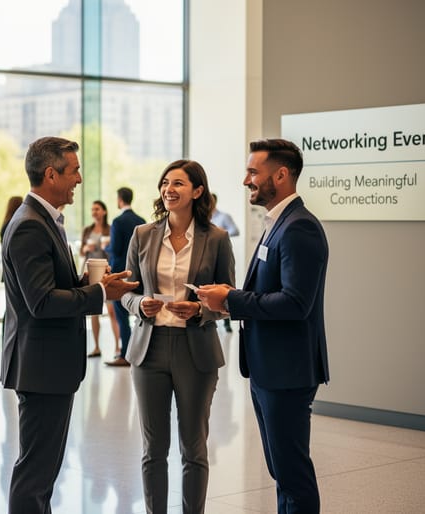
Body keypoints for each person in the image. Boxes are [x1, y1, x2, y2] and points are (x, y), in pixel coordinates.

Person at [0, 136, 137, 513]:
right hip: (42, 367)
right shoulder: (30, 225)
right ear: (51, 174)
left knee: (42, 471)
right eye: (74, 171)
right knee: (36, 473)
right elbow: (42, 302)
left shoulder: (44, 220)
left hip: (47, 366)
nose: (79, 179)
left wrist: (94, 284)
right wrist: (99, 294)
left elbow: (49, 287)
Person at [198, 138, 329, 514]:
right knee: (282, 471)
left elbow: (296, 303)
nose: (246, 180)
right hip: (269, 368)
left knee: (292, 474)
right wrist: (227, 301)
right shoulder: (279, 223)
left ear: (282, 175)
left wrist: (231, 299)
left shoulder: (299, 228)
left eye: (253, 172)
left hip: (286, 371)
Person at [120, 160, 235, 513]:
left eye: (179, 183)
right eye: (165, 183)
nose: (169, 189)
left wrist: (200, 309)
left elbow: (228, 299)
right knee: (153, 449)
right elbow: (126, 292)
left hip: (195, 350)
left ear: (197, 191)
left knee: (194, 448)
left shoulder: (217, 239)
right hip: (149, 350)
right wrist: (140, 305)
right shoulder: (142, 234)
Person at [105, 186, 146, 366]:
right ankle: (139, 352)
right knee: (139, 314)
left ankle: (125, 354)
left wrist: (106, 246)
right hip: (138, 273)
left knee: (121, 316)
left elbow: (115, 249)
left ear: (120, 200)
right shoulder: (141, 220)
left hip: (120, 273)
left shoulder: (118, 222)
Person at [79, 199, 120, 358]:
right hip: (90, 273)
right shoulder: (87, 230)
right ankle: (96, 347)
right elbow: (81, 252)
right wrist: (85, 248)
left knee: (112, 311)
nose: (94, 212)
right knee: (93, 311)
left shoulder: (110, 229)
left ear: (104, 211)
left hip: (105, 273)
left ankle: (117, 347)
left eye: (97, 209)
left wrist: (106, 247)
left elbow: (114, 251)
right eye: (92, 209)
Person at [210, 192, 240, 333]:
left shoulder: (223, 217)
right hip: (207, 255)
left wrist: (219, 234)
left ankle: (226, 320)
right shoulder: (202, 218)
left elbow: (235, 231)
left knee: (222, 285)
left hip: (220, 254)